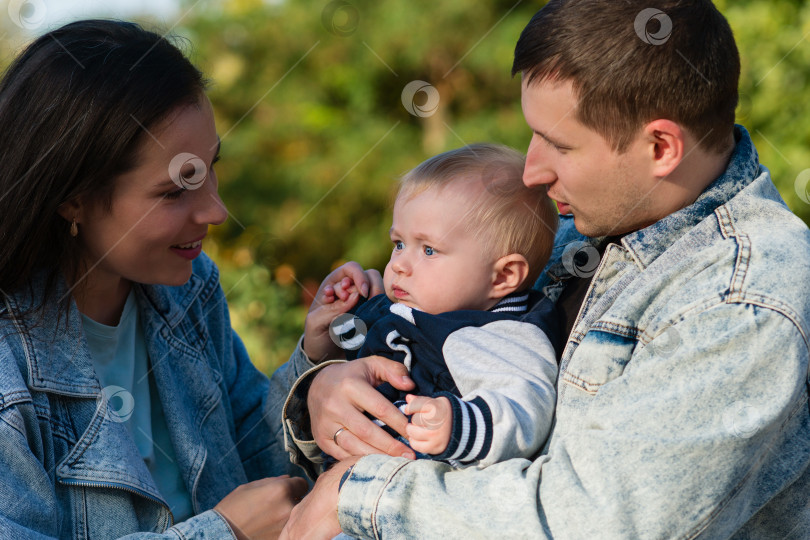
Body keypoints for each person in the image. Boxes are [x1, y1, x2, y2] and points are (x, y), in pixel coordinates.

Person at [280, 0, 810, 538]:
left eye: (558, 143)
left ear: (660, 146)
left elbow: (592, 522)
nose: (531, 171)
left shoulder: (742, 296)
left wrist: (359, 493)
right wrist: (325, 388)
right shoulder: (581, 227)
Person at [0, 19, 334, 539]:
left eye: (209, 169)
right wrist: (222, 532)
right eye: (176, 190)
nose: (217, 211)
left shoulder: (190, 289)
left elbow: (259, 460)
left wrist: (317, 367)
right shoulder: (8, 367)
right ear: (71, 198)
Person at [301, 144, 560, 468]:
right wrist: (324, 340)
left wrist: (457, 425)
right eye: (399, 243)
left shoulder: (498, 335)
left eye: (428, 250)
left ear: (504, 276)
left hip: (405, 492)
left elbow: (526, 407)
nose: (399, 265)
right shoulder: (407, 309)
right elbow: (353, 354)